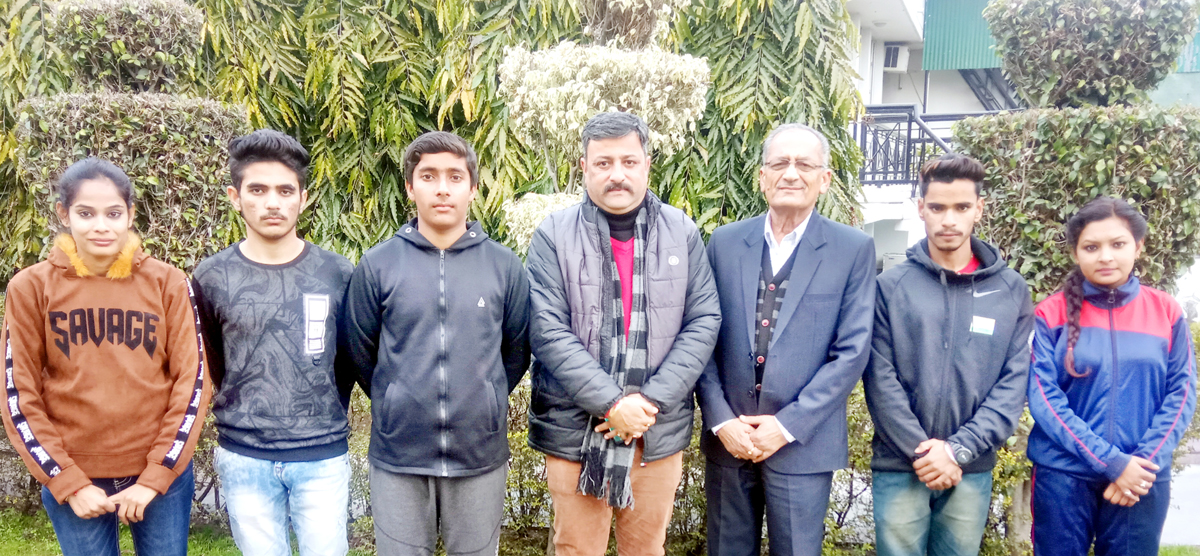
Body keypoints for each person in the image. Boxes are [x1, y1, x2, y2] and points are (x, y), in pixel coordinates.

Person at [525, 111, 721, 556]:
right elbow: (548, 329)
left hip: (655, 434)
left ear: (647, 165)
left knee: (647, 549)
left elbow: (703, 320)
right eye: (604, 163)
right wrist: (612, 404)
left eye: (629, 162)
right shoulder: (553, 235)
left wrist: (646, 404)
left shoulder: (682, 232)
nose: (617, 175)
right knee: (575, 549)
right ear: (584, 167)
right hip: (577, 434)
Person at [0, 158, 211, 556]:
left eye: (113, 213)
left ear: (130, 214)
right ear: (64, 214)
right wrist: (67, 481)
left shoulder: (168, 282)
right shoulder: (30, 287)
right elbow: (18, 394)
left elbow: (193, 381)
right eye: (86, 213)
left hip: (159, 472)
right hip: (76, 473)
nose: (101, 226)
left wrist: (156, 475)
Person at [340, 131, 530, 556]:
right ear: (410, 186)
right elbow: (360, 351)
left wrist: (485, 398)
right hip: (399, 456)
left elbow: (516, 352)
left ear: (473, 187)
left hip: (478, 454)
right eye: (428, 176)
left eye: (454, 177)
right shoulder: (378, 265)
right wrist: (395, 397)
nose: (442, 188)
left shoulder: (504, 267)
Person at [696, 123, 875, 556]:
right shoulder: (723, 242)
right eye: (779, 163)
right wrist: (721, 420)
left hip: (803, 445)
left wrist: (787, 425)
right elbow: (699, 335)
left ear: (824, 179)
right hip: (730, 440)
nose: (791, 174)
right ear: (762, 176)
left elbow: (851, 351)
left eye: (804, 164)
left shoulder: (852, 248)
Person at [192, 130, 358, 556]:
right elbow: (214, 359)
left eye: (285, 190)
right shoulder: (211, 277)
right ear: (235, 196)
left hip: (321, 454)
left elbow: (347, 362)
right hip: (245, 455)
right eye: (258, 189)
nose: (272, 202)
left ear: (303, 198)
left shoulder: (337, 273)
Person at [863, 153, 1034, 556]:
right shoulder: (890, 286)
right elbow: (878, 377)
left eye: (961, 207)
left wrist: (957, 450)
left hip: (969, 467)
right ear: (920, 209)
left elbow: (1013, 384)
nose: (949, 220)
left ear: (979, 209)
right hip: (901, 464)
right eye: (937, 207)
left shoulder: (1010, 291)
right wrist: (924, 452)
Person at [1027, 196, 1196, 556]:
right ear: (1076, 252)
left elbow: (1181, 392)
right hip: (1064, 475)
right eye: (1092, 247)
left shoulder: (1166, 311)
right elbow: (1044, 398)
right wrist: (1112, 462)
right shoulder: (1050, 313)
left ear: (1138, 246)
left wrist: (1142, 463)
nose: (1105, 256)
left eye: (1117, 244)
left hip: (1142, 476)